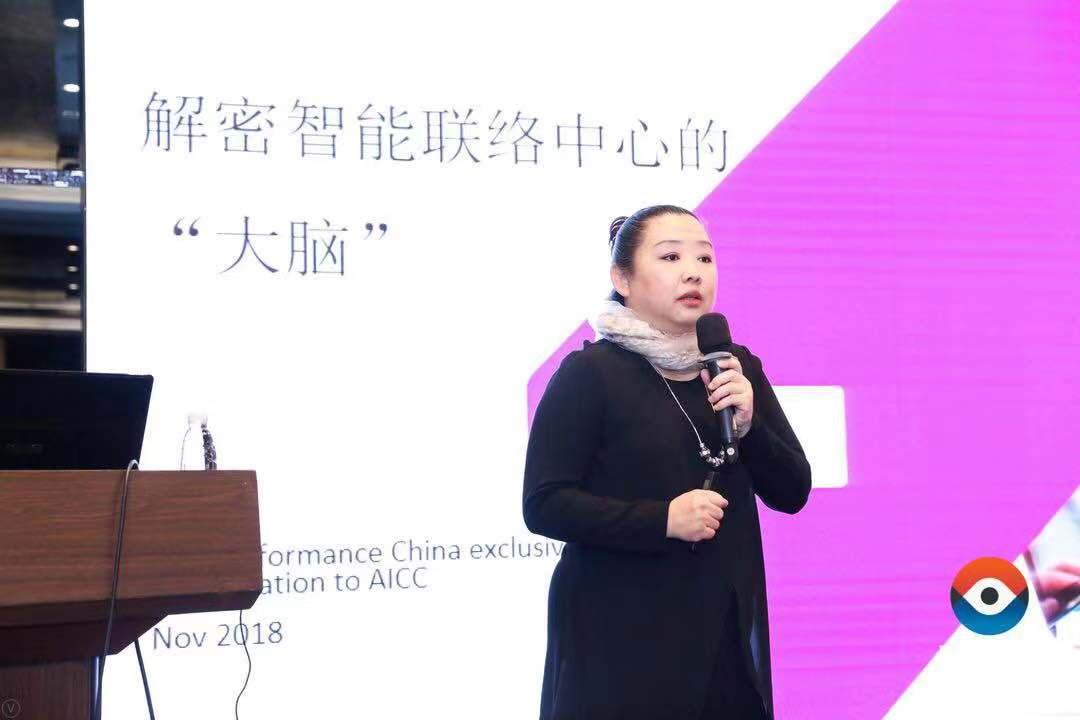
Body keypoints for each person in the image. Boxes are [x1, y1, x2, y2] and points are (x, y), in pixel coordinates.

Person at [523, 205, 811, 719]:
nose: (693, 272)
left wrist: (751, 428)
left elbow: (792, 491)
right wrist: (662, 520)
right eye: (671, 257)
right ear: (622, 280)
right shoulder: (591, 373)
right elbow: (544, 504)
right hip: (616, 641)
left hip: (721, 642)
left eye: (705, 258)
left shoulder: (734, 366)